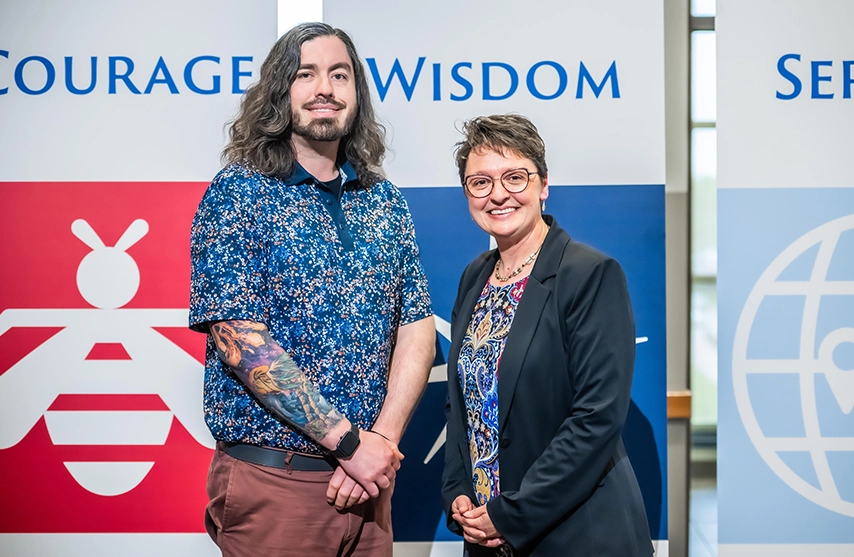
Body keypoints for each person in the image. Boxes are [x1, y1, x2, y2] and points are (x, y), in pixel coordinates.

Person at [189, 22, 435, 557]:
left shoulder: (384, 200)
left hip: (369, 484)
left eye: (339, 75)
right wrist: (347, 443)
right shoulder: (239, 193)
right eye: (306, 74)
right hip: (277, 485)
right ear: (280, 91)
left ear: (357, 92)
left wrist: (381, 442)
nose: (325, 88)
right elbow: (240, 340)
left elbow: (416, 328)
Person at [441, 114, 653, 556]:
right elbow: (462, 405)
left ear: (544, 184)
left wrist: (511, 513)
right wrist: (458, 490)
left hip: (575, 533)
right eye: (480, 183)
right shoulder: (474, 277)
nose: (498, 194)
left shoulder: (590, 275)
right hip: (486, 535)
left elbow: (596, 417)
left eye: (514, 177)